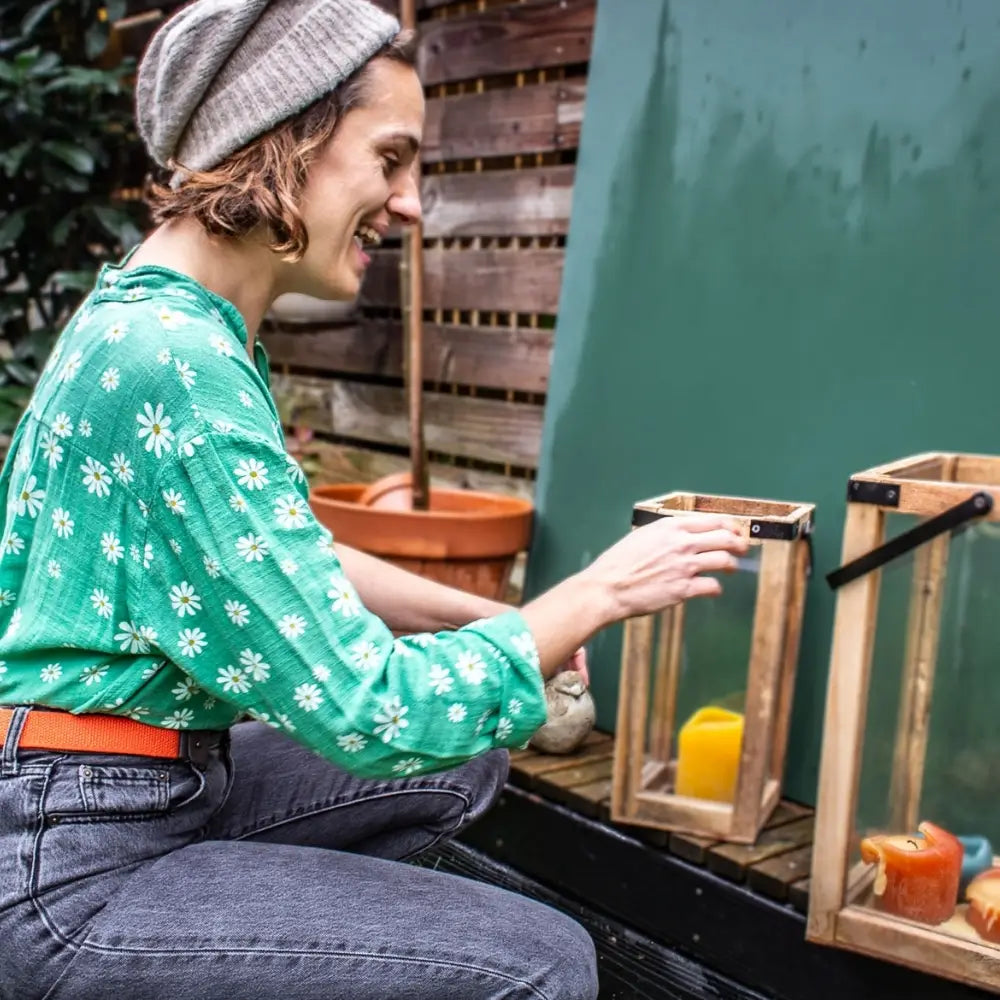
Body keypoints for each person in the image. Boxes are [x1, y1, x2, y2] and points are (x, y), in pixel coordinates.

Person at [0, 2, 747, 998]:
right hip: (74, 866)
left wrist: (487, 616)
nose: (411, 204)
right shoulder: (177, 364)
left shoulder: (151, 319)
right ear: (283, 139)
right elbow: (369, 709)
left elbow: (280, 556)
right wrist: (595, 594)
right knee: (543, 964)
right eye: (391, 158)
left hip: (117, 788)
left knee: (464, 762)